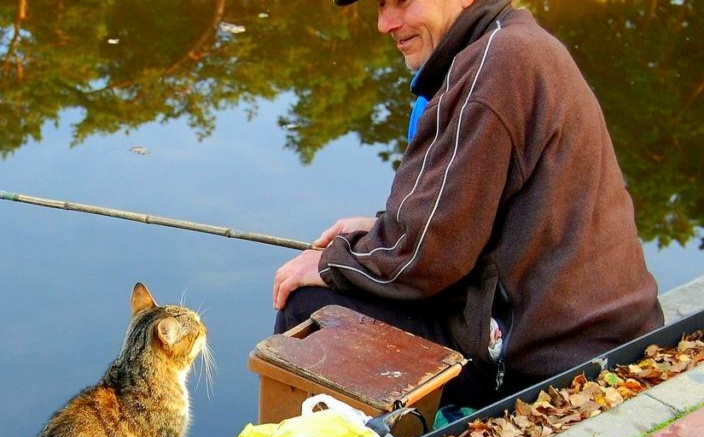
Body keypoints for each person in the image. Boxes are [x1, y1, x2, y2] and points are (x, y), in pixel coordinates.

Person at [272, 0, 663, 410]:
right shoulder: (510, 44)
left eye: (401, 1)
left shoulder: (495, 69)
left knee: (310, 309)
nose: (384, 23)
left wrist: (331, 264)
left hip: (557, 366)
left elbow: (425, 258)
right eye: (380, 5)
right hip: (608, 336)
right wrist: (377, 229)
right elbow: (457, 217)